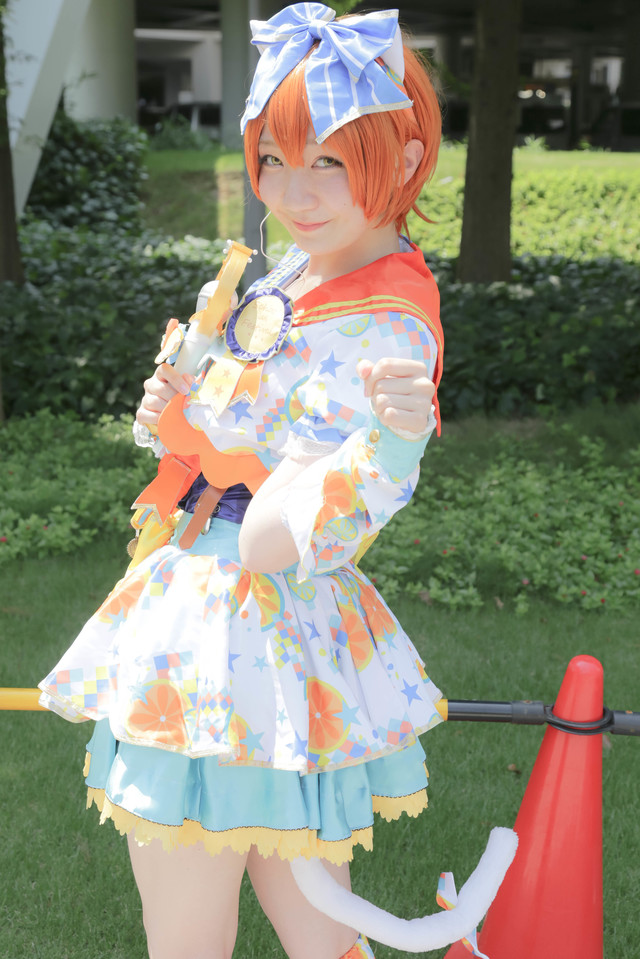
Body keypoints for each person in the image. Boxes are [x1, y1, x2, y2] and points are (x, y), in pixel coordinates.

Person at [38, 6, 450, 958]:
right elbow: (233, 423)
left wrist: (392, 449)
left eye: (329, 162)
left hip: (236, 627)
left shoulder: (385, 320)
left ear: (404, 157)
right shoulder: (305, 272)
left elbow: (306, 522)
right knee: (320, 929)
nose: (294, 191)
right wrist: (178, 411)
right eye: (273, 158)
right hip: (250, 622)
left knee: (206, 932)